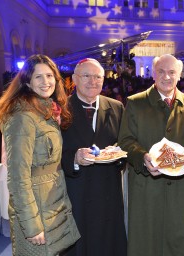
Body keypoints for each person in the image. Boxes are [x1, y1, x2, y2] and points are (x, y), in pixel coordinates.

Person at [0, 54, 80, 256]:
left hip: (52, 203)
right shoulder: (22, 116)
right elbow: (18, 176)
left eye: (49, 76)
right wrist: (31, 224)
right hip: (36, 209)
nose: (46, 82)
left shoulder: (43, 110)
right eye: (38, 77)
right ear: (27, 81)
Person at [118, 54, 184, 256]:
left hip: (179, 187)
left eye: (172, 72)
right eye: (161, 72)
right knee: (146, 242)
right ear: (153, 74)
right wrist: (143, 157)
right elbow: (125, 141)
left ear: (179, 75)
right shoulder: (135, 103)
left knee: (178, 240)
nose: (166, 77)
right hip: (145, 186)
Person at [60, 58, 127, 256]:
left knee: (107, 244)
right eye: (86, 76)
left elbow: (124, 144)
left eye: (97, 77)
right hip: (76, 191)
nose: (92, 81)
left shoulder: (116, 107)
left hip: (108, 190)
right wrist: (73, 157)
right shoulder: (60, 109)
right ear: (74, 79)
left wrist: (118, 155)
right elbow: (50, 153)